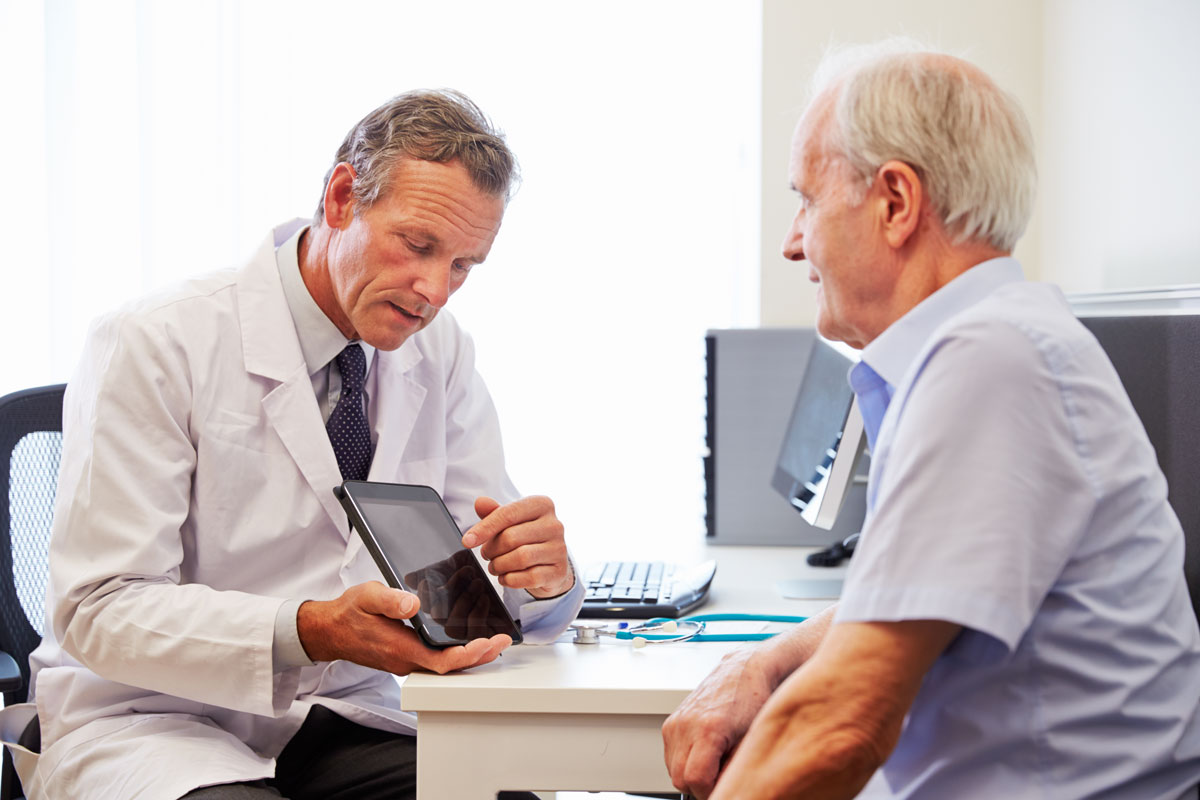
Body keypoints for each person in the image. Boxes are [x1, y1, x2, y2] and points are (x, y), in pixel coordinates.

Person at [662, 42, 1200, 799]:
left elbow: (842, 724)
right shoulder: (996, 341)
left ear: (895, 203)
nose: (792, 242)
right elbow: (904, 596)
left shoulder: (990, 361)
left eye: (807, 201)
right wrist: (765, 661)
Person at [9, 89, 582, 800]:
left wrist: (538, 579)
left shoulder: (439, 352)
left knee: (500, 796)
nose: (435, 290)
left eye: (464, 265)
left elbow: (468, 576)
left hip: (344, 714)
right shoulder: (156, 340)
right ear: (341, 198)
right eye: (418, 245)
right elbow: (99, 609)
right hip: (155, 720)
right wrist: (310, 630)